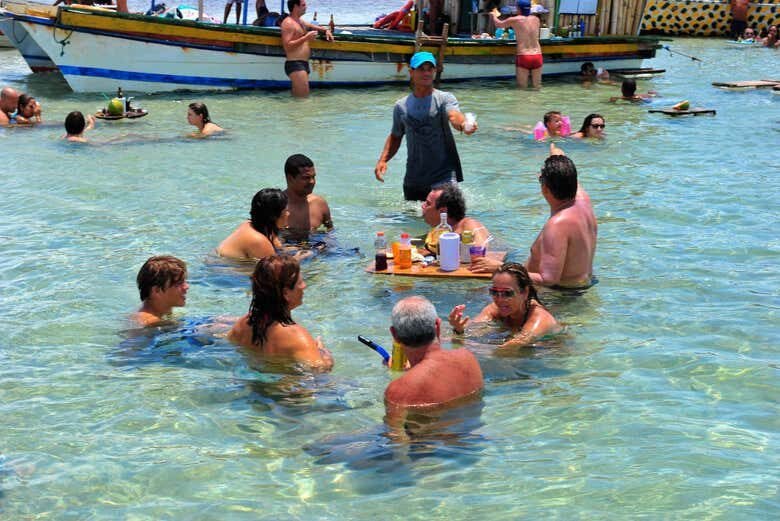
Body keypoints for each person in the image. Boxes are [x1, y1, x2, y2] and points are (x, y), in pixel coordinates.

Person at [374, 51, 477, 201]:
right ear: (411, 72)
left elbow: (454, 115)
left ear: (435, 71)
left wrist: (463, 124)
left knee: (446, 214)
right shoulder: (401, 106)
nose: (426, 73)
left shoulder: (444, 98)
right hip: (414, 179)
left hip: (444, 177)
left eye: (430, 69)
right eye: (421, 69)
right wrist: (382, 160)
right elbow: (396, 136)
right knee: (411, 215)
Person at [384, 296, 483, 421]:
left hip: (428, 433)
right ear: (438, 326)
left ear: (394, 334)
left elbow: (395, 432)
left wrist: (404, 377)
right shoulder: (468, 358)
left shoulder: (398, 390)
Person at [228, 254, 333, 371]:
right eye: (300, 282)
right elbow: (320, 372)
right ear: (286, 293)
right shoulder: (297, 337)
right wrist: (323, 353)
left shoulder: (243, 324)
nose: (304, 286)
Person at [449, 262, 561, 348]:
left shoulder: (539, 319)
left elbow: (508, 350)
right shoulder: (496, 308)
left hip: (547, 352)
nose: (499, 299)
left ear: (525, 292)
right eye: (494, 292)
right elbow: (474, 329)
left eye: (507, 293)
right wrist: (459, 329)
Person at [217, 188, 289, 260]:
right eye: (286, 211)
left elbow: (278, 246)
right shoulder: (259, 241)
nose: (288, 214)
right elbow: (275, 266)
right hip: (221, 265)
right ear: (274, 216)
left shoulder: (251, 225)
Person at [280, 0, 333, 98]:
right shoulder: (288, 23)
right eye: (303, 5)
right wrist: (306, 38)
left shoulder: (300, 22)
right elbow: (287, 46)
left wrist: (326, 31)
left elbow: (316, 27)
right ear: (295, 7)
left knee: (299, 99)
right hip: (295, 64)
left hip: (303, 64)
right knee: (303, 99)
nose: (306, 7)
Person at [490, 0, 542, 89]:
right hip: (537, 55)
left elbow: (498, 24)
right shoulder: (536, 19)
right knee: (537, 87)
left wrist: (493, 15)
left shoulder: (515, 20)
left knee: (522, 88)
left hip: (524, 55)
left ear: (519, 8)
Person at [421, 184, 490, 251]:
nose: (423, 206)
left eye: (428, 203)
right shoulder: (440, 231)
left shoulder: (469, 224)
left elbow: (481, 250)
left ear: (443, 211)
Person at [282, 154, 333, 239]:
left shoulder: (320, 204)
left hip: (315, 245)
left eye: (313, 177)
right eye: (306, 178)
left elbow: (330, 231)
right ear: (290, 178)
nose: (312, 182)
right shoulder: (276, 206)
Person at [131, 255, 189, 327]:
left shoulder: (163, 312)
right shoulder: (148, 323)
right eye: (178, 283)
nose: (186, 287)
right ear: (156, 290)